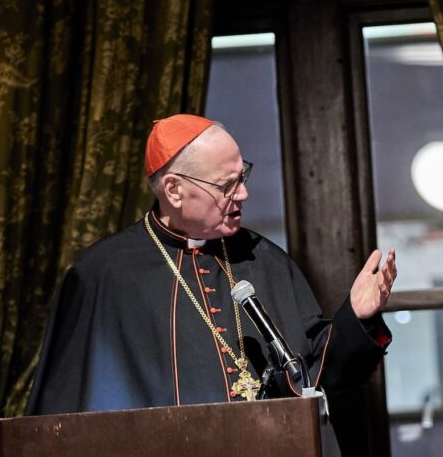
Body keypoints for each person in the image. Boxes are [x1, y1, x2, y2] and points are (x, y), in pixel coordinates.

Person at [27, 115, 396, 414]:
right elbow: (64, 415)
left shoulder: (262, 258)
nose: (244, 194)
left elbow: (313, 378)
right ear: (174, 190)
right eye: (227, 185)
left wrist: (357, 319)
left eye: (243, 177)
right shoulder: (102, 275)